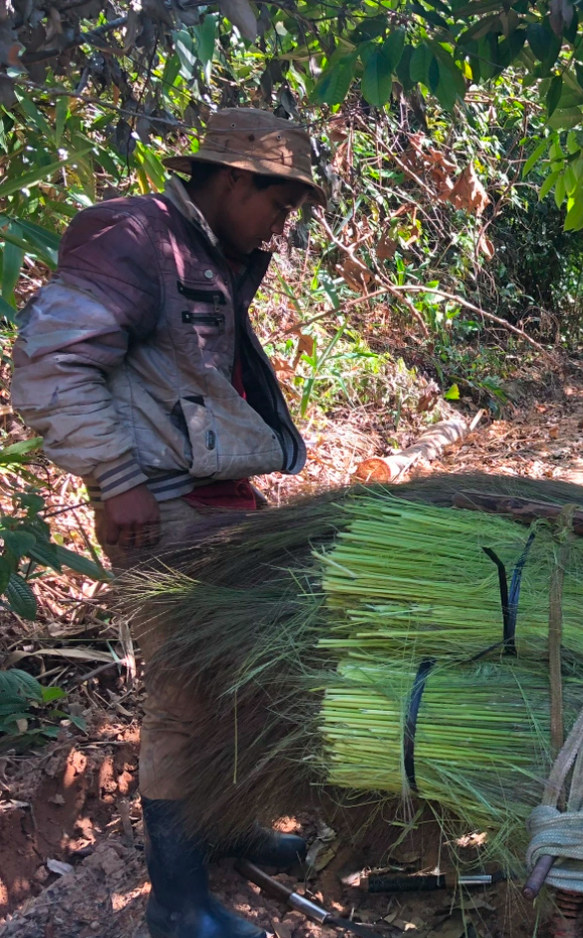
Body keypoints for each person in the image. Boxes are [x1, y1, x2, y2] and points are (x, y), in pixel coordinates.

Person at [11, 108, 323, 938]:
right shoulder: (134, 236)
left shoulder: (208, 251)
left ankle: (221, 830)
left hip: (207, 495)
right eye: (277, 203)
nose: (281, 225)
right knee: (185, 698)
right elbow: (48, 366)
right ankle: (180, 906)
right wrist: (116, 481)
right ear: (228, 178)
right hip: (159, 506)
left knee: (232, 676)